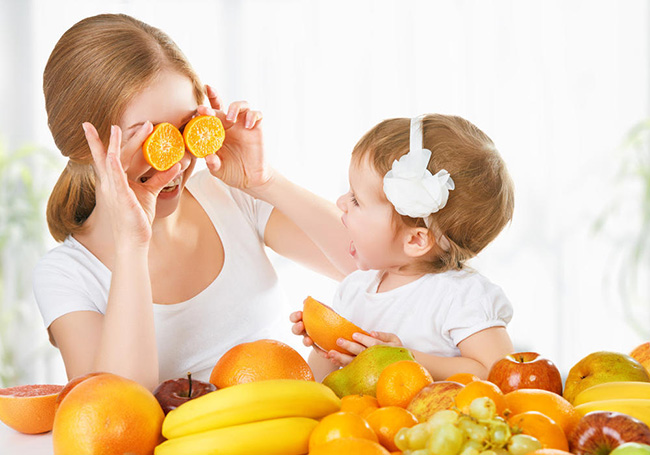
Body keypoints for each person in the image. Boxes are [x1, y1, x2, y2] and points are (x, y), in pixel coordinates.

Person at [33, 13, 355, 391]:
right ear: (85, 148)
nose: (175, 160)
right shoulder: (67, 274)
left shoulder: (230, 198)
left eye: (185, 129)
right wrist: (132, 244)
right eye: (147, 139)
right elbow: (114, 414)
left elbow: (370, 264)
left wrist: (264, 181)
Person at [291, 114, 515, 381]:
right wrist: (326, 343)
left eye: (356, 200)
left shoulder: (460, 297)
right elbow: (319, 384)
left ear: (415, 241)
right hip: (367, 422)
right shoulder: (355, 290)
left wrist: (403, 357)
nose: (340, 202)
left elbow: (497, 372)